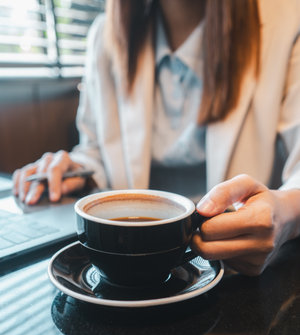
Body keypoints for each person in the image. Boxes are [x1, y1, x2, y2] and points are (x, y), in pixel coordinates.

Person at [12, 0, 300, 276]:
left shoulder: (287, 21)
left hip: (236, 274)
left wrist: (284, 212)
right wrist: (77, 169)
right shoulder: (105, 36)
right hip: (126, 262)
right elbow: (97, 149)